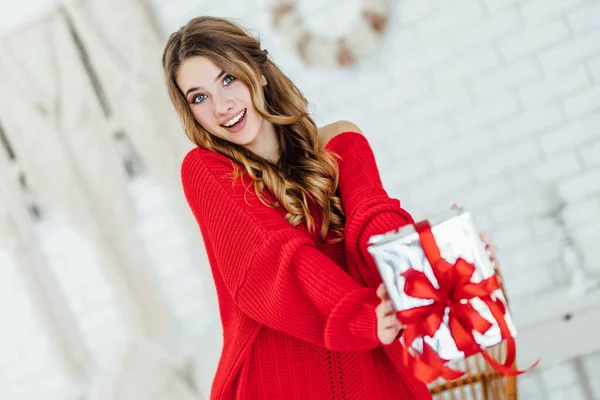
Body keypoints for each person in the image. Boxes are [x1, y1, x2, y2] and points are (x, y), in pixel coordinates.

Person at [162, 16, 499, 400]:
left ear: (258, 73)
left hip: (369, 369)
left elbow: (373, 220)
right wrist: (359, 315)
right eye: (199, 97)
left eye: (227, 79)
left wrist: (439, 260)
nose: (221, 106)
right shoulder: (205, 170)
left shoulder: (340, 141)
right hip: (278, 380)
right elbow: (270, 260)